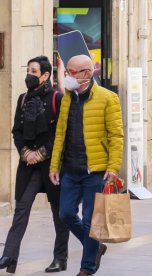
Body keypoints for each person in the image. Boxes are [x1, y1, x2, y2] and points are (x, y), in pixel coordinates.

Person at [49, 55, 124, 276]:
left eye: (71, 72)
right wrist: (54, 166)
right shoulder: (67, 98)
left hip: (96, 171)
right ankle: (95, 246)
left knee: (91, 220)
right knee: (65, 214)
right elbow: (60, 133)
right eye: (67, 71)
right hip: (71, 169)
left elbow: (116, 136)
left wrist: (113, 167)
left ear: (86, 74)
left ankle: (87, 267)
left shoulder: (108, 98)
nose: (67, 76)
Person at [0, 56, 69, 274]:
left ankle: (60, 258)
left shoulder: (56, 99)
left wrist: (41, 153)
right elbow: (16, 131)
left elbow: (60, 132)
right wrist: (25, 152)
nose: (29, 75)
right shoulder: (23, 99)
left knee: (59, 213)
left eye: (34, 71)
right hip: (28, 165)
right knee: (21, 209)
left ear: (46, 75)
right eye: (28, 70)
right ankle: (9, 256)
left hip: (51, 166)